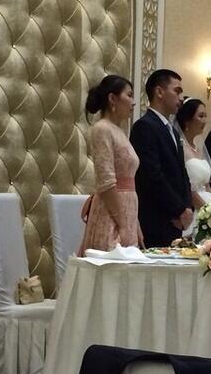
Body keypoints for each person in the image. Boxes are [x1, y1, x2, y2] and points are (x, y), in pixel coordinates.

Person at [129, 68, 192, 248]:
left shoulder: (172, 130)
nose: (181, 98)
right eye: (177, 91)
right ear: (159, 92)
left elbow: (182, 173)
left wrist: (187, 208)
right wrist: (178, 209)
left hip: (176, 220)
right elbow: (151, 175)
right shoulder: (144, 126)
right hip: (156, 218)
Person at [79, 75, 142, 254]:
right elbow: (106, 182)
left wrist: (134, 223)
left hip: (126, 210)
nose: (133, 102)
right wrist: (123, 224)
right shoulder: (102, 129)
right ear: (113, 98)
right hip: (111, 212)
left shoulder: (119, 131)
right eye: (129, 95)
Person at [176, 97, 211, 208]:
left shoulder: (199, 150)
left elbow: (207, 186)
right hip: (193, 207)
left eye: (205, 116)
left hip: (209, 207)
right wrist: (206, 210)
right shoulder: (180, 148)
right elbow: (187, 187)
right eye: (201, 116)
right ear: (187, 120)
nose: (204, 120)